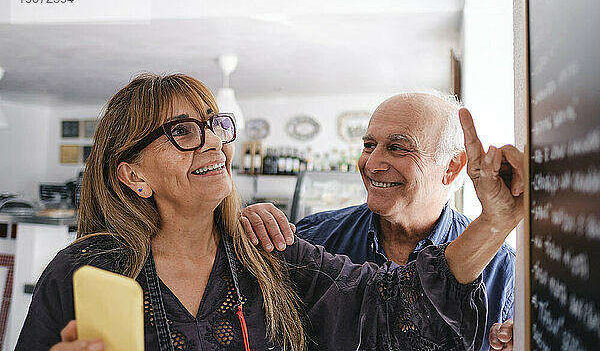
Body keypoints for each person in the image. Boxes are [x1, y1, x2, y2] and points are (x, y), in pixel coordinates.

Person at [16, 74, 522, 351]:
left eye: (214, 125)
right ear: (134, 176)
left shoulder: (275, 255)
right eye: (185, 131)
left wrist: (495, 220)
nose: (213, 141)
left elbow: (395, 304)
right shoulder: (82, 271)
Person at [240, 92, 517, 351]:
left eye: (397, 148)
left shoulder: (503, 268)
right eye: (369, 145)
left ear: (451, 166)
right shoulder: (314, 239)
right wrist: (242, 229)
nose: (372, 164)